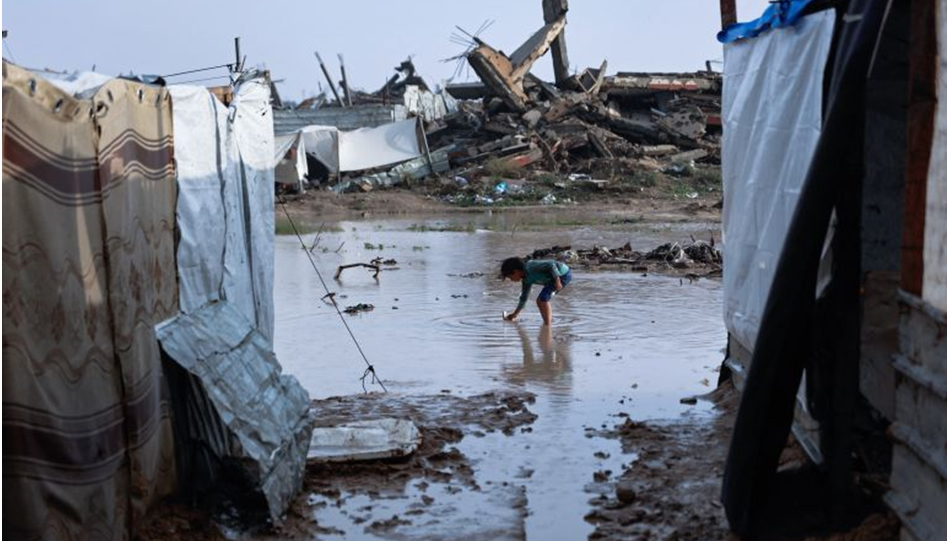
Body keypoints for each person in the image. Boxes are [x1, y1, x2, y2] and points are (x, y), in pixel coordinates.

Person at [500, 257, 572, 326]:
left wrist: (557, 281)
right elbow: (524, 298)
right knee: (540, 300)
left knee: (542, 299)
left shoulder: (531, 267)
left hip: (563, 274)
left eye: (510, 277)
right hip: (551, 280)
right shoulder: (526, 280)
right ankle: (547, 324)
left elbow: (551, 265)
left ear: (516, 271)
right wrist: (515, 314)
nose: (511, 280)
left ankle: (548, 325)